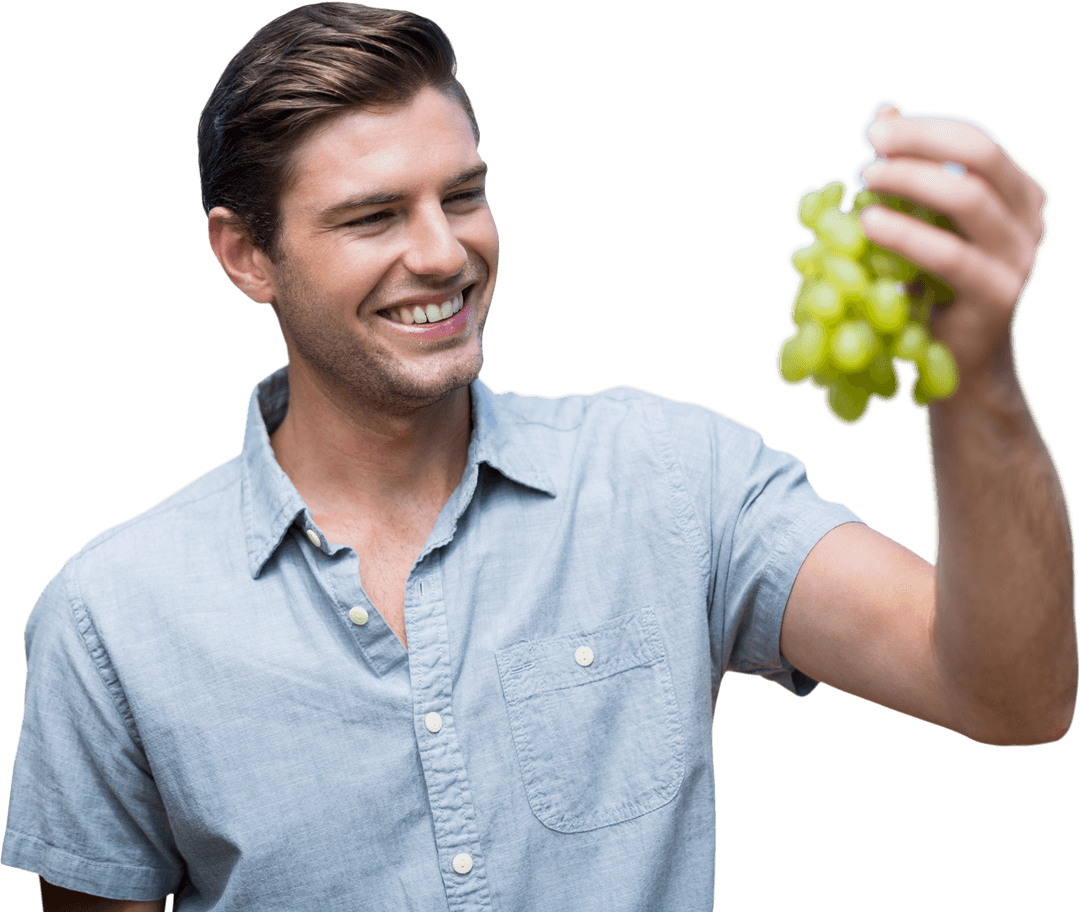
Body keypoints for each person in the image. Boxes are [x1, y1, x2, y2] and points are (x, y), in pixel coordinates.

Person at [3, 3, 1075, 910]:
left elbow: (1016, 695)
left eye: (462, 195)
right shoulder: (110, 622)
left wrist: (976, 374)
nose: (443, 252)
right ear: (246, 255)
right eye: (373, 217)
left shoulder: (671, 477)